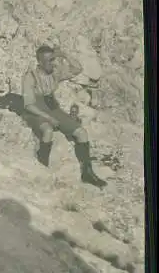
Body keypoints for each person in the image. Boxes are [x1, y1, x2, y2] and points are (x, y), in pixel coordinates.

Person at [22, 45, 107, 189]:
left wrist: (64, 54)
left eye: (53, 59)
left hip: (53, 108)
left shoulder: (55, 73)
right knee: (48, 131)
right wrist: (48, 118)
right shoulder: (30, 77)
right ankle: (42, 168)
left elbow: (77, 68)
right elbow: (29, 105)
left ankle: (87, 173)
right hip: (36, 111)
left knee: (81, 133)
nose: (53, 63)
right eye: (49, 60)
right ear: (40, 62)